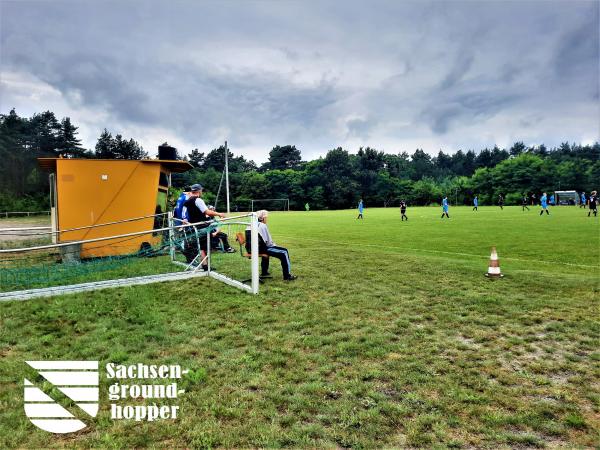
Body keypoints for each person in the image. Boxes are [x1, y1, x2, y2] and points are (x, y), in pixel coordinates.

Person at [181, 184, 226, 270]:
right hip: (202, 227)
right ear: (199, 191)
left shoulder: (187, 201)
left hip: (194, 227)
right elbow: (207, 212)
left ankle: (205, 265)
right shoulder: (198, 200)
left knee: (201, 247)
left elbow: (184, 215)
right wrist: (219, 214)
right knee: (206, 247)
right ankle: (206, 265)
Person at [246, 210, 297, 281]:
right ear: (262, 218)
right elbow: (268, 242)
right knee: (284, 252)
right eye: (266, 217)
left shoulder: (249, 224)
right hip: (260, 249)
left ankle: (264, 272)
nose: (267, 219)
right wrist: (274, 246)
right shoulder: (262, 225)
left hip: (250, 249)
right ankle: (287, 276)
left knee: (273, 250)